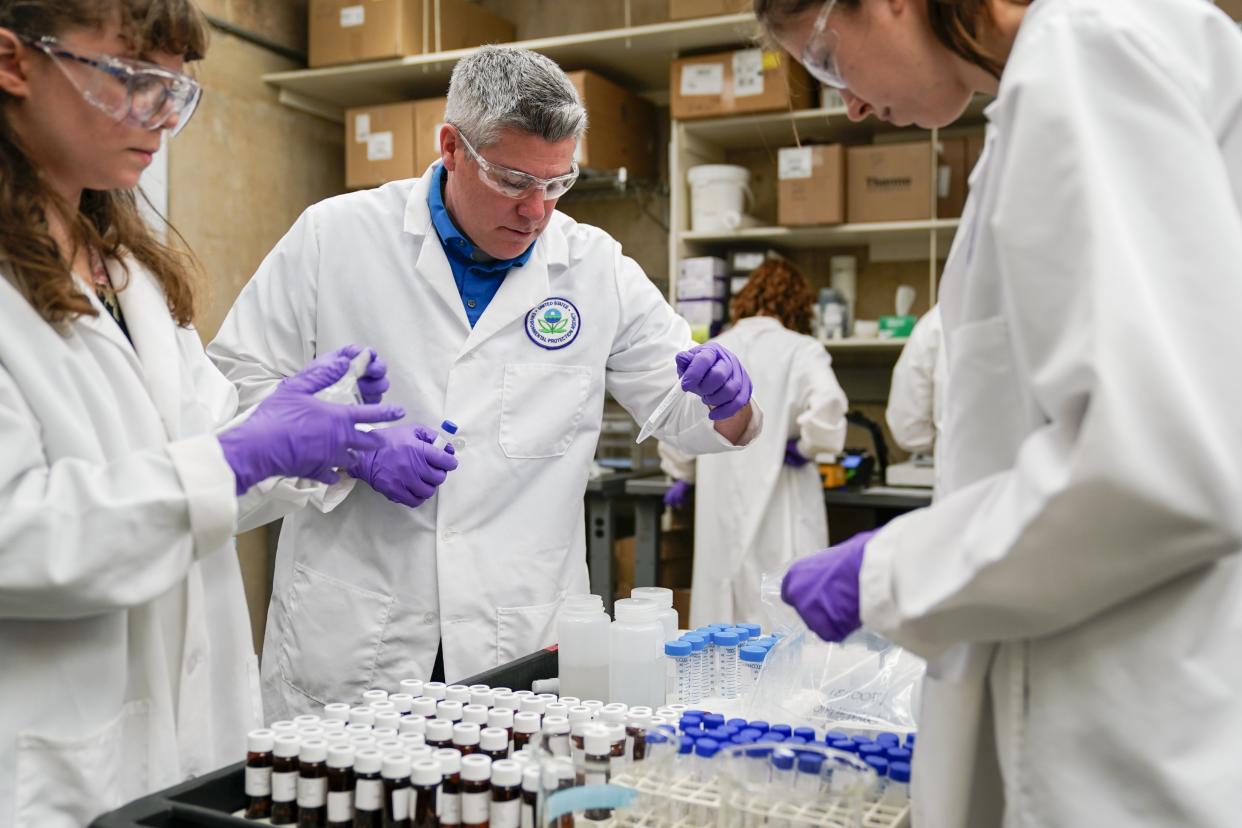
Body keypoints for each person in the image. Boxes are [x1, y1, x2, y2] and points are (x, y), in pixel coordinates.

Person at [760, 0, 1242, 825]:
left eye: (831, 59)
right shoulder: (1041, 93)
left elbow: (1159, 464)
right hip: (1093, 681)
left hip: (1126, 723)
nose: (850, 104)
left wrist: (890, 568)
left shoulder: (1090, 56)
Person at [208, 45, 762, 720]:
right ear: (450, 146)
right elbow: (234, 397)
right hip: (358, 631)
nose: (537, 211)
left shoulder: (595, 267)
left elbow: (688, 413)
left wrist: (730, 402)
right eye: (513, 180)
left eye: (558, 184)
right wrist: (350, 452)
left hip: (520, 635)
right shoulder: (334, 238)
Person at [0, 2, 406, 823]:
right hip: (50, 766)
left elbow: (204, 465)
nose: (161, 117)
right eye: (134, 79)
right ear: (13, 62)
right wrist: (239, 456)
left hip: (188, 748)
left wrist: (302, 441)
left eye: (178, 93)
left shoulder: (127, 273)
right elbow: (16, 531)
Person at [659, 260, 847, 627]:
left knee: (722, 617)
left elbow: (677, 417)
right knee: (780, 608)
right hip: (782, 494)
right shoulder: (802, 349)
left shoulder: (713, 348)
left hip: (718, 495)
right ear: (798, 305)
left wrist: (682, 473)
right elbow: (829, 409)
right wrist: (807, 447)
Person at [884, 304, 945, 490]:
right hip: (1029, 482)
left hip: (958, 481)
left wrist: (940, 441)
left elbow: (908, 427)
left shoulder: (936, 321)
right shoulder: (1032, 305)